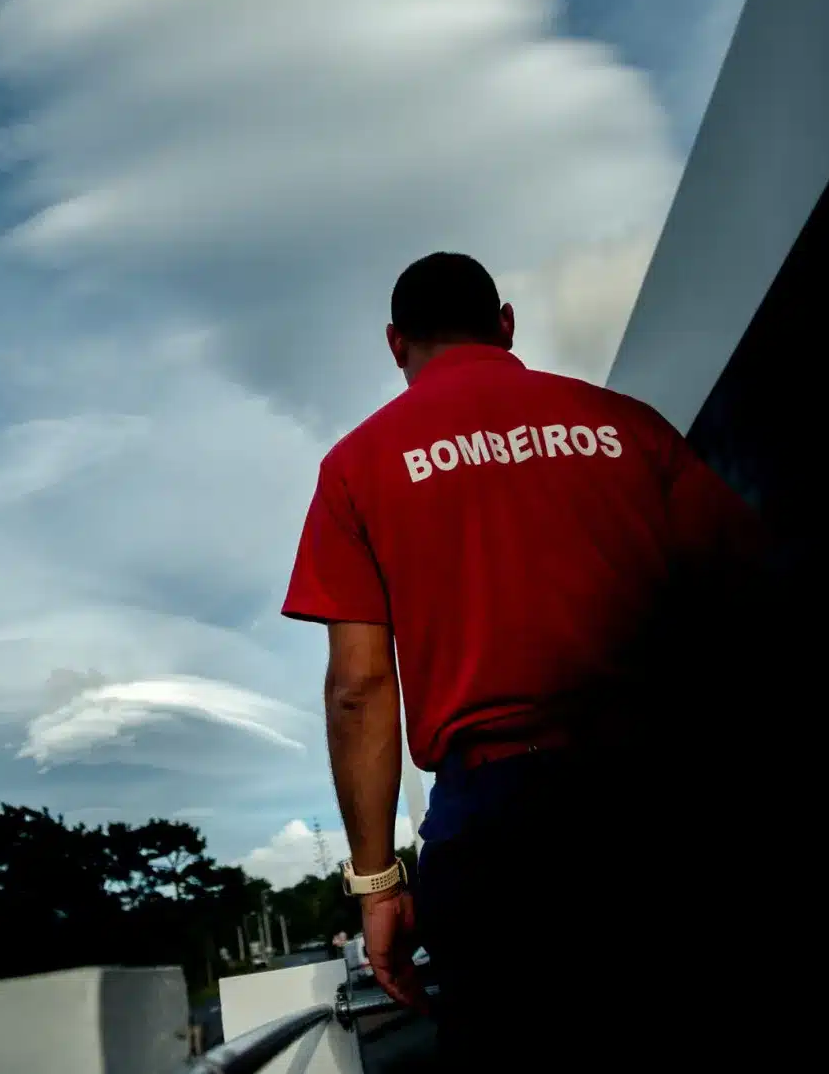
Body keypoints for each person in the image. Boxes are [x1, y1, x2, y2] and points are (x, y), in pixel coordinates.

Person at [280, 252, 770, 1068]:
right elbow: (749, 602)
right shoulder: (627, 425)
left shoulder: (357, 467)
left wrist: (377, 883)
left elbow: (360, 688)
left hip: (495, 831)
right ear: (505, 323)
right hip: (666, 802)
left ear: (395, 344)